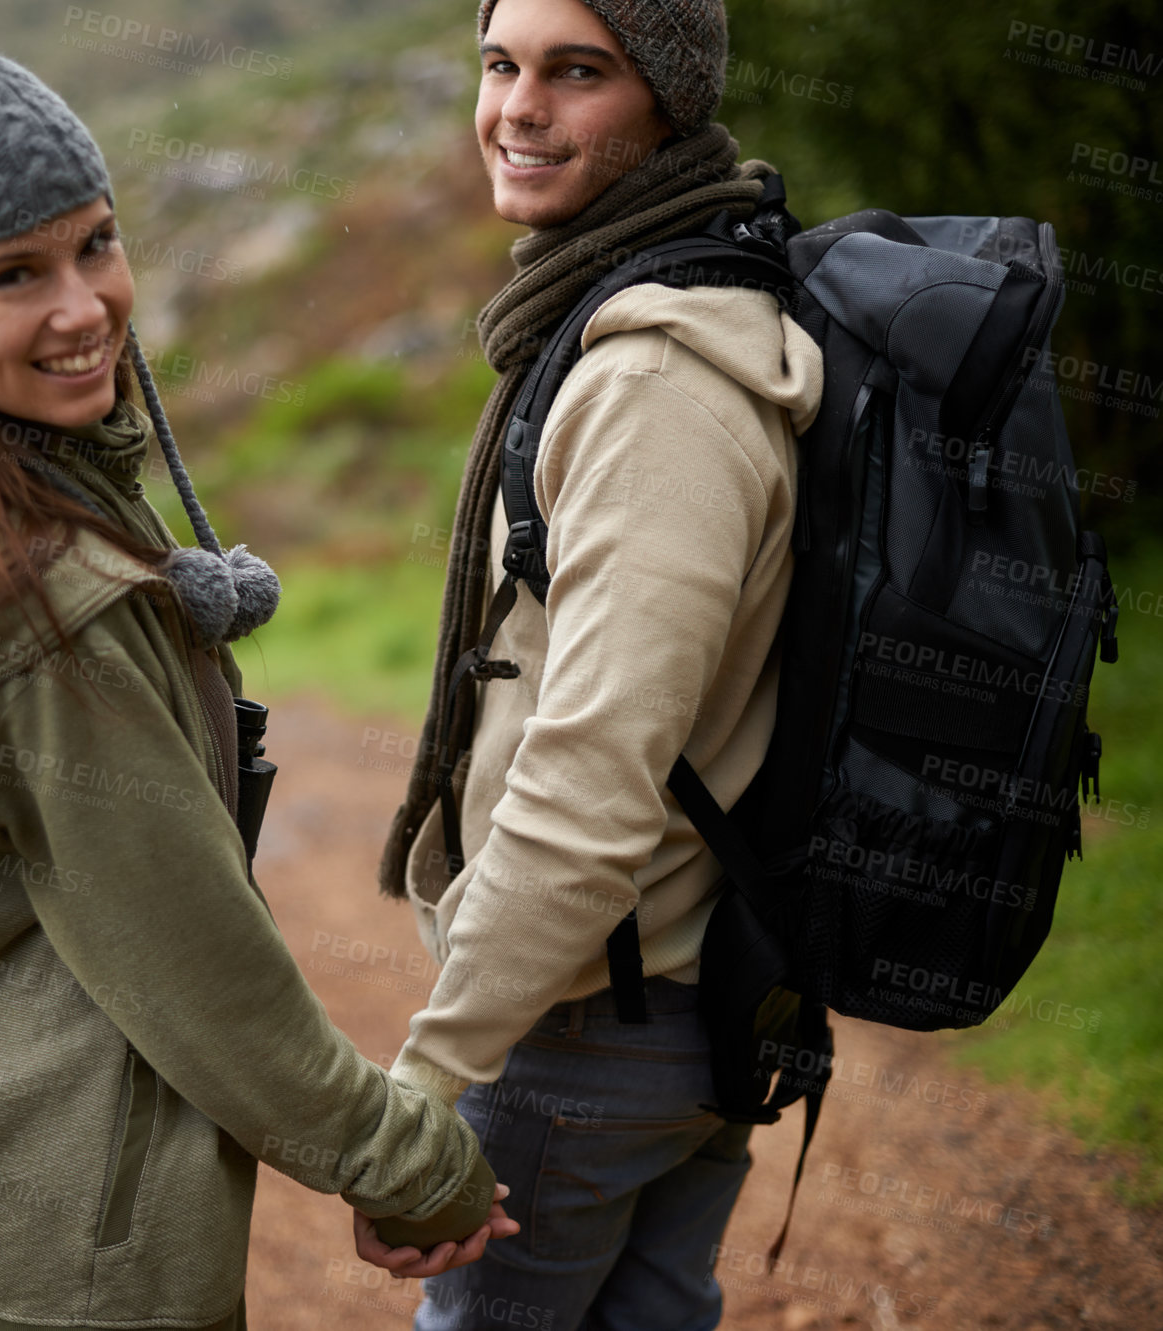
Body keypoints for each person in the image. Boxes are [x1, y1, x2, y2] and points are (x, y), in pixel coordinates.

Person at [0, 2, 514, 1327]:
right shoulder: (45, 609)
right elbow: (198, 964)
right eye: (13, 276)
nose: (83, 308)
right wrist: (412, 1169)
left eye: (95, 244)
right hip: (69, 1260)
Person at [378, 0, 824, 1326]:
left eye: (577, 72)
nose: (515, 107)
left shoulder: (652, 387)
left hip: (594, 1028)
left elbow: (592, 780)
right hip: (697, 993)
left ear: (667, 102)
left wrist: (423, 1083)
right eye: (499, 64)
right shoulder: (713, 293)